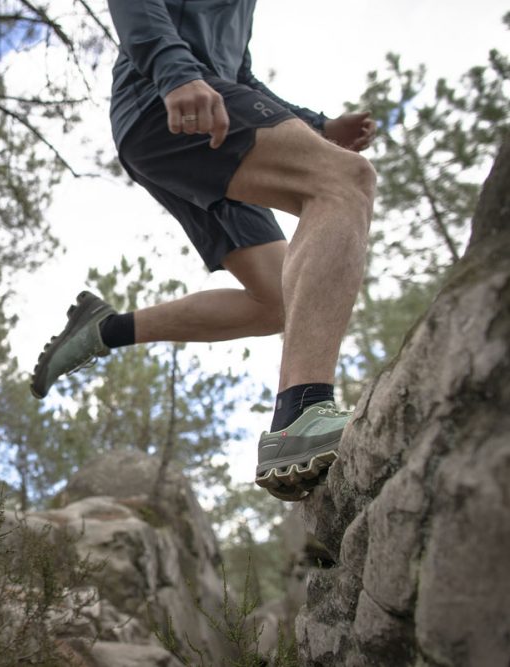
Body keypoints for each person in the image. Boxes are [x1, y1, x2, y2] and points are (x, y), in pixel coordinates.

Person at [28, 0, 377, 501]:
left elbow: (241, 76)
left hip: (194, 111)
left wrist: (319, 127)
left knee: (275, 299)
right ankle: (302, 409)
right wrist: (174, 76)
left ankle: (102, 331)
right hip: (170, 105)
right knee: (344, 181)